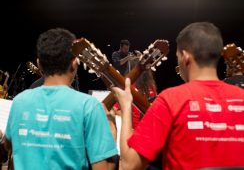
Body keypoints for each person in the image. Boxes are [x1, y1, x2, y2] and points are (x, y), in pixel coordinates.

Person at [112, 22, 244, 169]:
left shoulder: (170, 100)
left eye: (177, 56)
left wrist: (125, 106)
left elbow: (129, 165)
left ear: (185, 56)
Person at [4, 28, 117, 170]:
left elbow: (8, 144)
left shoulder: (20, 101)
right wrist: (112, 130)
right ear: (74, 63)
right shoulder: (89, 106)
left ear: (39, 64)